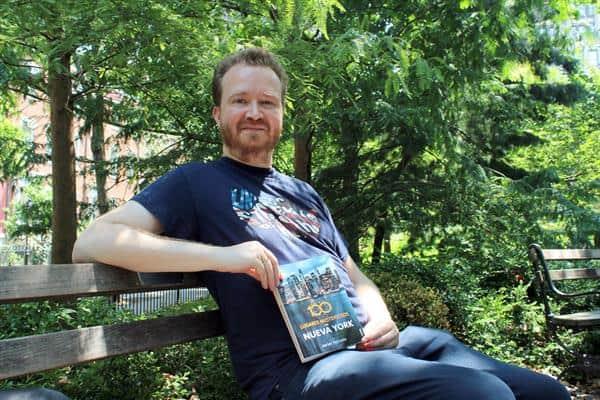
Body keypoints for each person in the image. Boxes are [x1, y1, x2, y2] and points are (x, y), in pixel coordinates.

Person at [72, 48, 570, 400]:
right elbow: (93, 240)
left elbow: (351, 272)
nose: (254, 112)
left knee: (544, 393)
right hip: (300, 372)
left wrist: (379, 314)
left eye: (267, 102)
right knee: (482, 394)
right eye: (241, 100)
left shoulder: (303, 193)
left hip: (368, 346)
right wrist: (225, 257)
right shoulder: (195, 183)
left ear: (281, 114)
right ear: (218, 113)